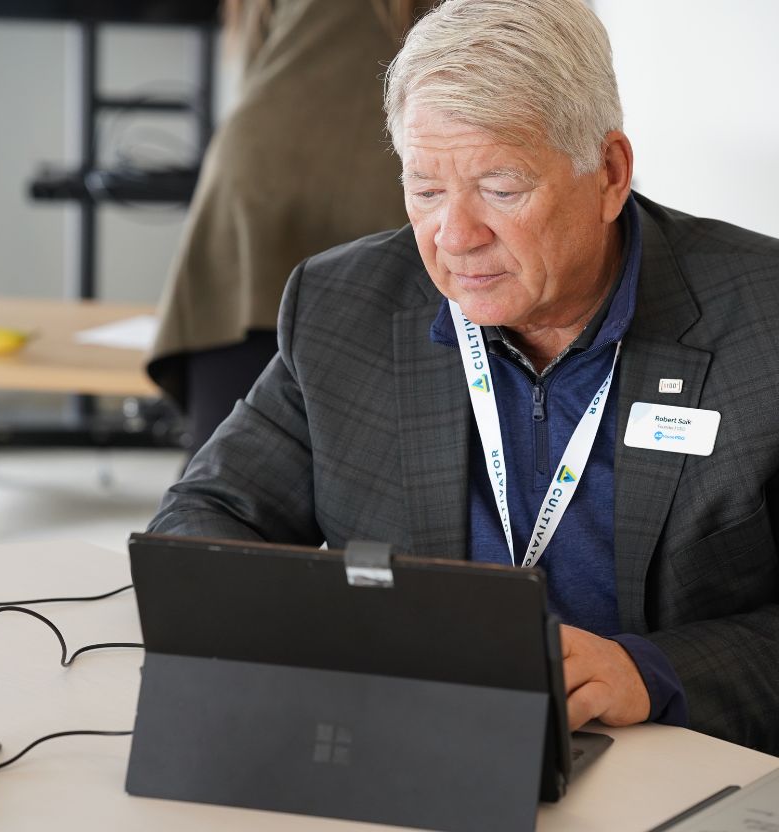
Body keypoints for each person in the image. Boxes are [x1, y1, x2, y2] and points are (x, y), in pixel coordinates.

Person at [148, 0, 779, 755]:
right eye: (425, 189)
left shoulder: (762, 322)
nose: (455, 237)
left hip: (676, 761)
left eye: (501, 188)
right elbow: (204, 519)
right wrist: (323, 643)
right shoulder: (344, 307)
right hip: (414, 748)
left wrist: (653, 671)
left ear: (609, 173)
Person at [147, 0, 437, 454]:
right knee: (379, 450)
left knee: (229, 453)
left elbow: (255, 60)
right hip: (388, 172)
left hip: (256, 169)